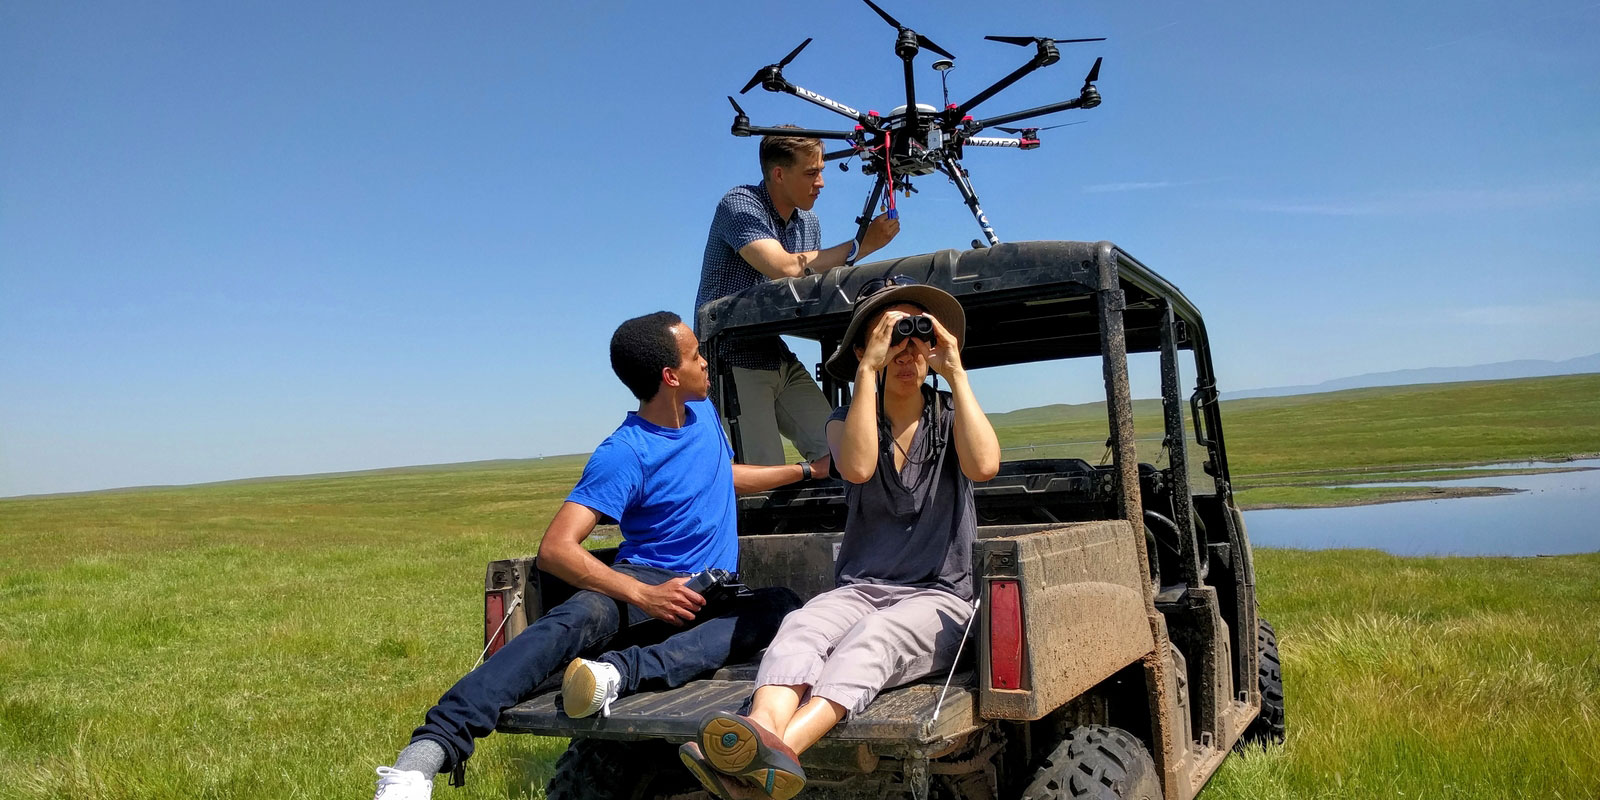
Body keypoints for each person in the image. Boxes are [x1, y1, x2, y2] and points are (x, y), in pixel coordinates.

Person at [372, 311, 829, 800]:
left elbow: (721, 473)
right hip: (646, 580)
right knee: (576, 618)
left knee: (777, 603)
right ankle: (425, 756)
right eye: (696, 357)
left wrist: (806, 471)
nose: (706, 366)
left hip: (709, 590)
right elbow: (556, 549)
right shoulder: (625, 452)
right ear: (670, 377)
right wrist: (644, 594)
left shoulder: (703, 417)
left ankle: (617, 673)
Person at [678, 279, 1001, 800]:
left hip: (940, 597)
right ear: (861, 349)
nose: (907, 349)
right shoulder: (845, 422)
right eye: (891, 334)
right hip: (862, 588)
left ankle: (772, 753)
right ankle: (757, 735)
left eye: (919, 335)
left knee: (873, 640)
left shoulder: (950, 418)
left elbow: (985, 465)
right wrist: (868, 370)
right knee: (801, 625)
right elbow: (856, 465)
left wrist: (956, 370)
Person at [695, 131, 900, 466]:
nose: (821, 182)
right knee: (763, 473)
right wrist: (862, 246)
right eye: (810, 173)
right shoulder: (740, 205)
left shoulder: (808, 223)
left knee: (844, 448)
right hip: (731, 356)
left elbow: (810, 292)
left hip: (775, 354)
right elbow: (785, 268)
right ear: (778, 174)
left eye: (821, 171)